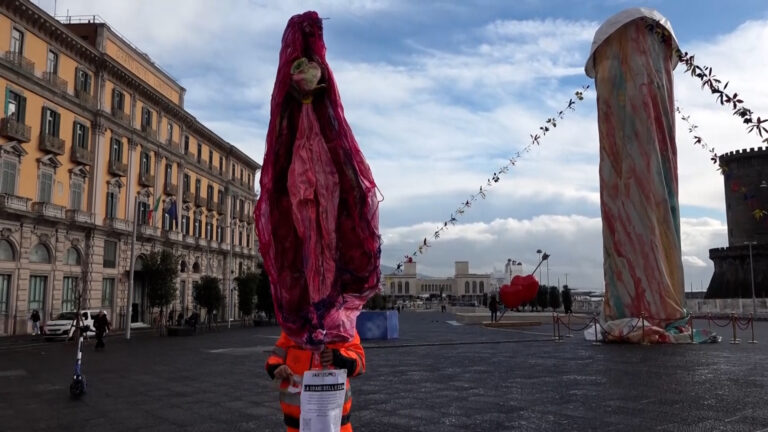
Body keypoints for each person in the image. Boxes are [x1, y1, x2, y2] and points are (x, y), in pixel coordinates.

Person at [266, 331, 365, 432]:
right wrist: (277, 368)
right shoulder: (292, 327)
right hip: (296, 424)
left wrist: (338, 357)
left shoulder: (343, 327)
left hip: (337, 424)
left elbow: (359, 362)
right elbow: (275, 357)